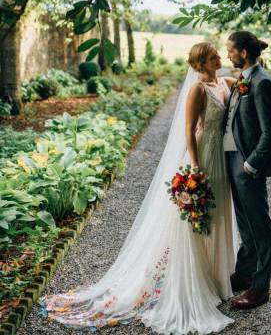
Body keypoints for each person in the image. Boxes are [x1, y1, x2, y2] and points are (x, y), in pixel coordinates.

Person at [38, 42, 240, 334]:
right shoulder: (197, 89)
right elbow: (188, 130)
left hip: (221, 159)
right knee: (195, 222)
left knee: (218, 215)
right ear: (200, 63)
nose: (219, 58)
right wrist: (195, 166)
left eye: (217, 54)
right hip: (204, 158)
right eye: (213, 56)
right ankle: (191, 281)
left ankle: (218, 279)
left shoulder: (223, 82)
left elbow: (243, 85)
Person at [223, 31, 271, 310]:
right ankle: (245, 272)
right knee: (244, 221)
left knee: (260, 225)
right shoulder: (243, 80)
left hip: (248, 165)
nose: (227, 54)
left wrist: (251, 164)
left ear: (243, 53)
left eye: (230, 50)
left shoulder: (262, 83)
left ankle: (260, 288)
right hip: (233, 160)